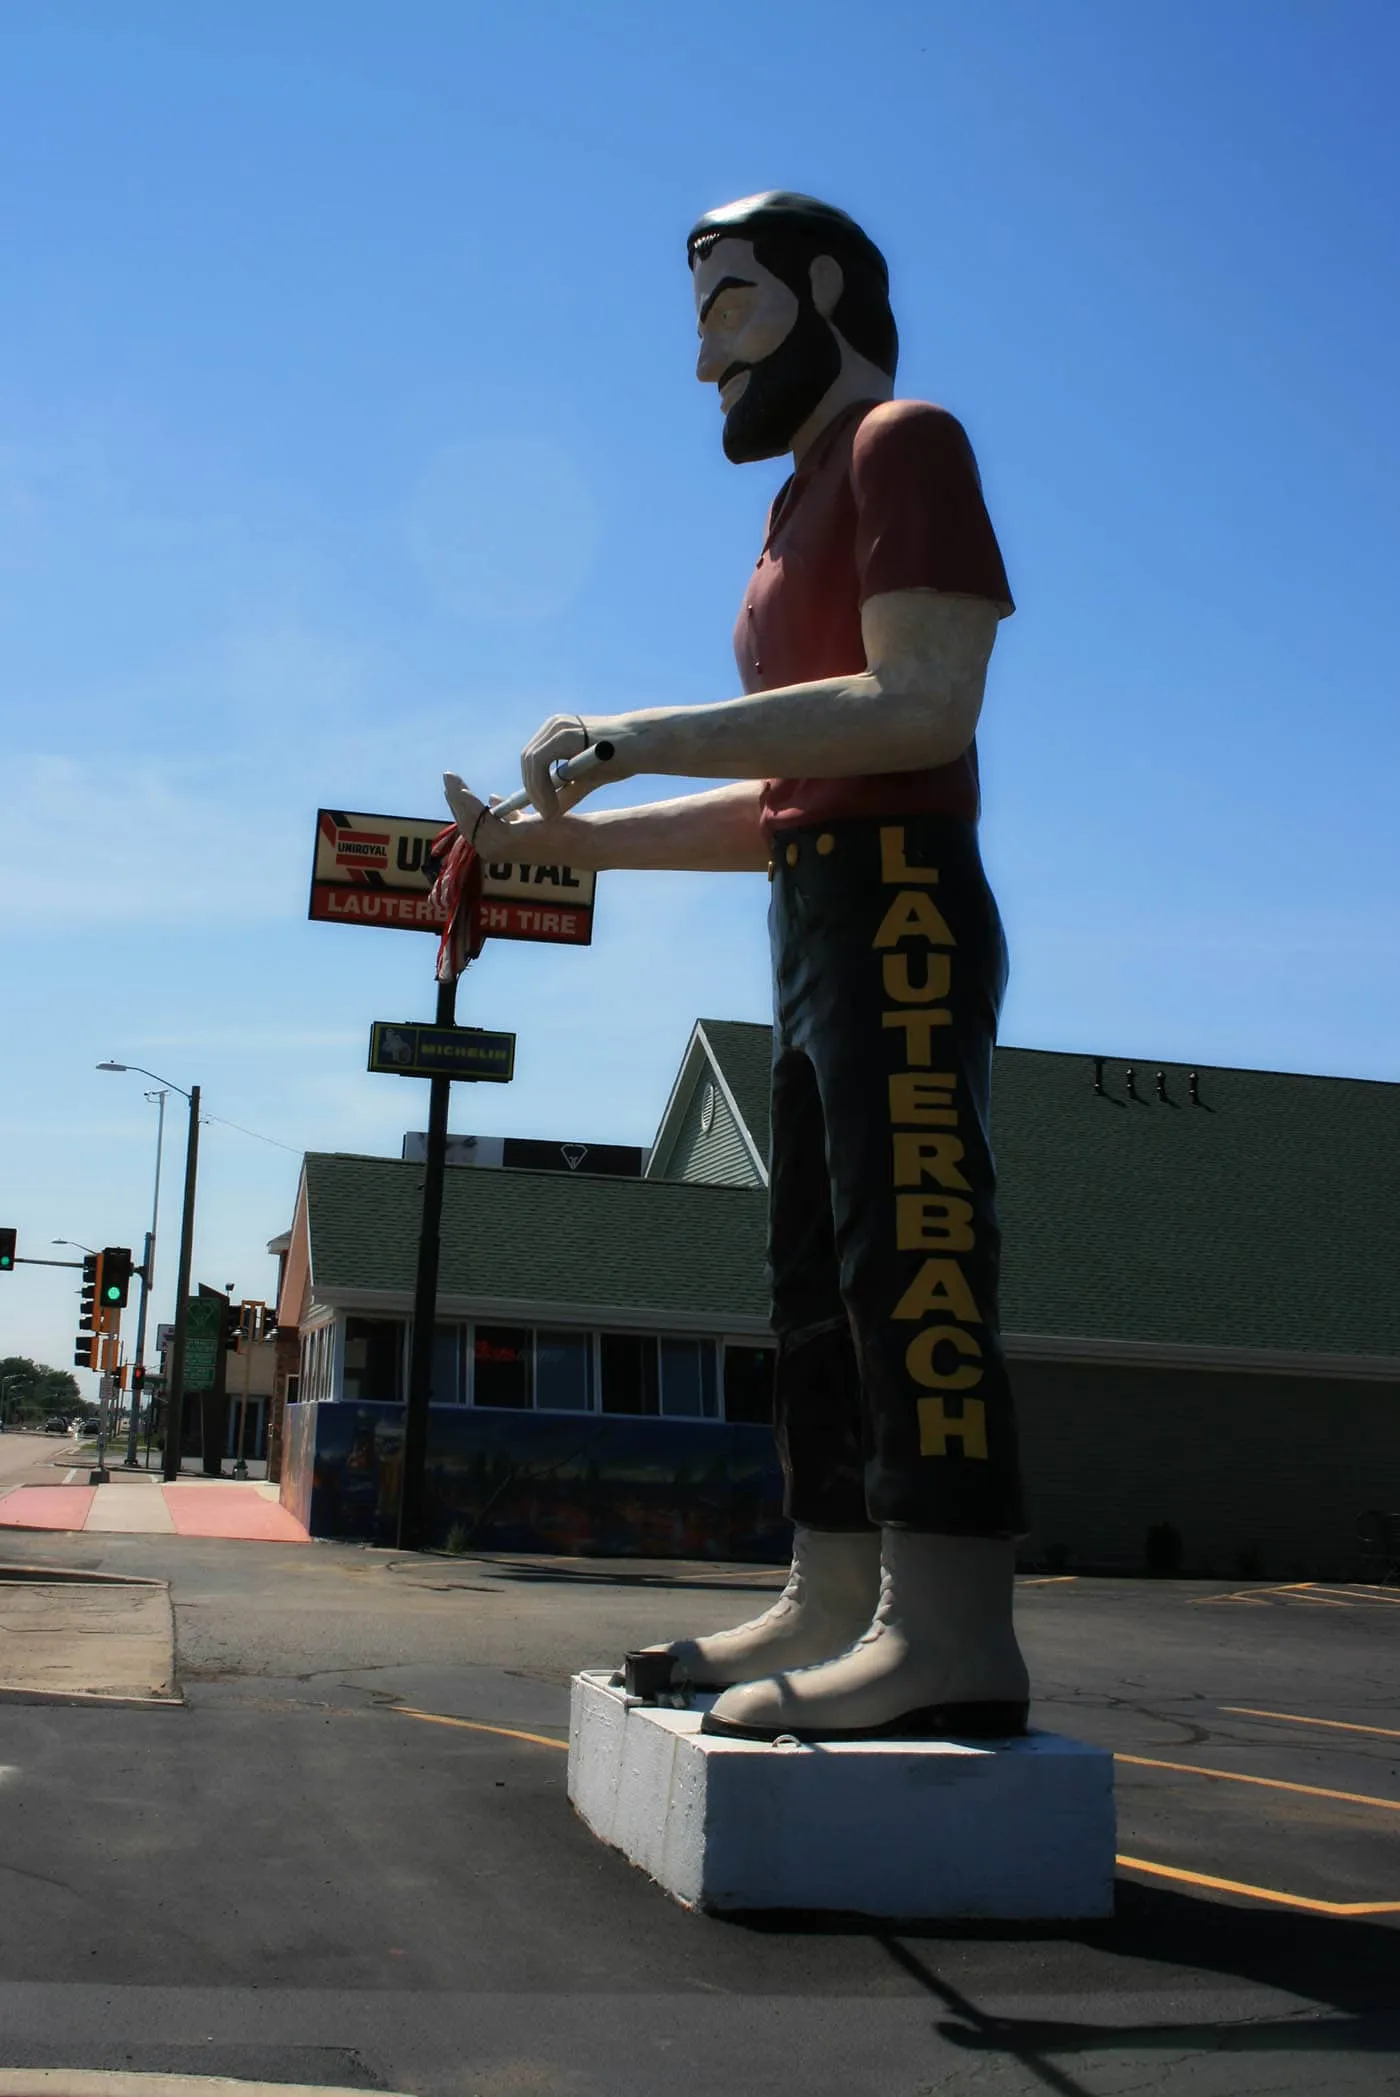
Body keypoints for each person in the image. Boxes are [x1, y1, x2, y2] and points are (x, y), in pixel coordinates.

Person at [445, 191, 1028, 1741]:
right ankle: (837, 1592)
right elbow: (786, 797)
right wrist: (552, 847)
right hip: (820, 908)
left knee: (914, 1255)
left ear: (826, 287)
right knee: (818, 1286)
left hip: (903, 903)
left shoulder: (911, 440)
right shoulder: (789, 509)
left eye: (732, 305)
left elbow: (919, 709)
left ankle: (952, 1623)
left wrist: (630, 741)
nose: (705, 357)